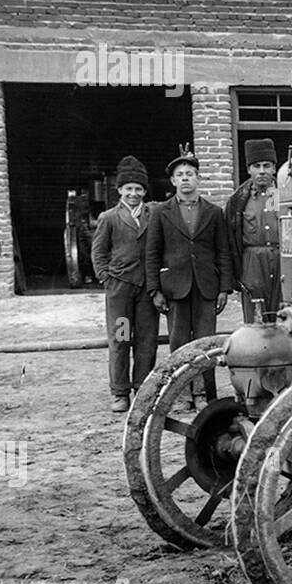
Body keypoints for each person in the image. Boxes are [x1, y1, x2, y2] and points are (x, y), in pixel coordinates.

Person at [146, 145, 232, 404]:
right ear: (173, 181)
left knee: (206, 345)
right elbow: (152, 253)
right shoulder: (161, 212)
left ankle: (205, 394)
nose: (185, 178)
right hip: (175, 288)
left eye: (190, 173)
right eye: (180, 174)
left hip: (207, 287)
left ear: (198, 179)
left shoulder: (214, 212)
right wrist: (155, 290)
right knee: (179, 343)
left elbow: (223, 252)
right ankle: (182, 395)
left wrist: (224, 288)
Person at [90, 155, 160, 413]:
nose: (133, 194)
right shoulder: (109, 217)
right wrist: (106, 278)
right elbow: (98, 253)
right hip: (120, 291)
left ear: (144, 191)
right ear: (119, 190)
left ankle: (143, 390)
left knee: (147, 339)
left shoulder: (153, 214)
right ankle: (120, 392)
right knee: (121, 339)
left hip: (146, 290)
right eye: (128, 189)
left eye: (138, 189)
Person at [224, 139, 282, 324]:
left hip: (283, 260)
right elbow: (228, 239)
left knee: (284, 315)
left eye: (267, 165)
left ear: (274, 168)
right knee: (255, 319)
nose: (262, 170)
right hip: (251, 263)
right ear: (249, 169)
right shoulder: (238, 200)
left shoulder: (286, 194)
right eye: (257, 166)